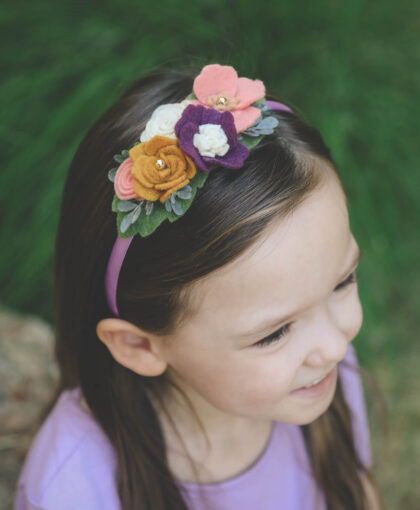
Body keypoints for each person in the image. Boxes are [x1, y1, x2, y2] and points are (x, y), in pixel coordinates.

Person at [13, 63, 384, 510]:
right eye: (274, 333)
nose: (335, 344)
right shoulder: (73, 488)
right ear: (139, 345)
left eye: (342, 281)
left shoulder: (322, 378)